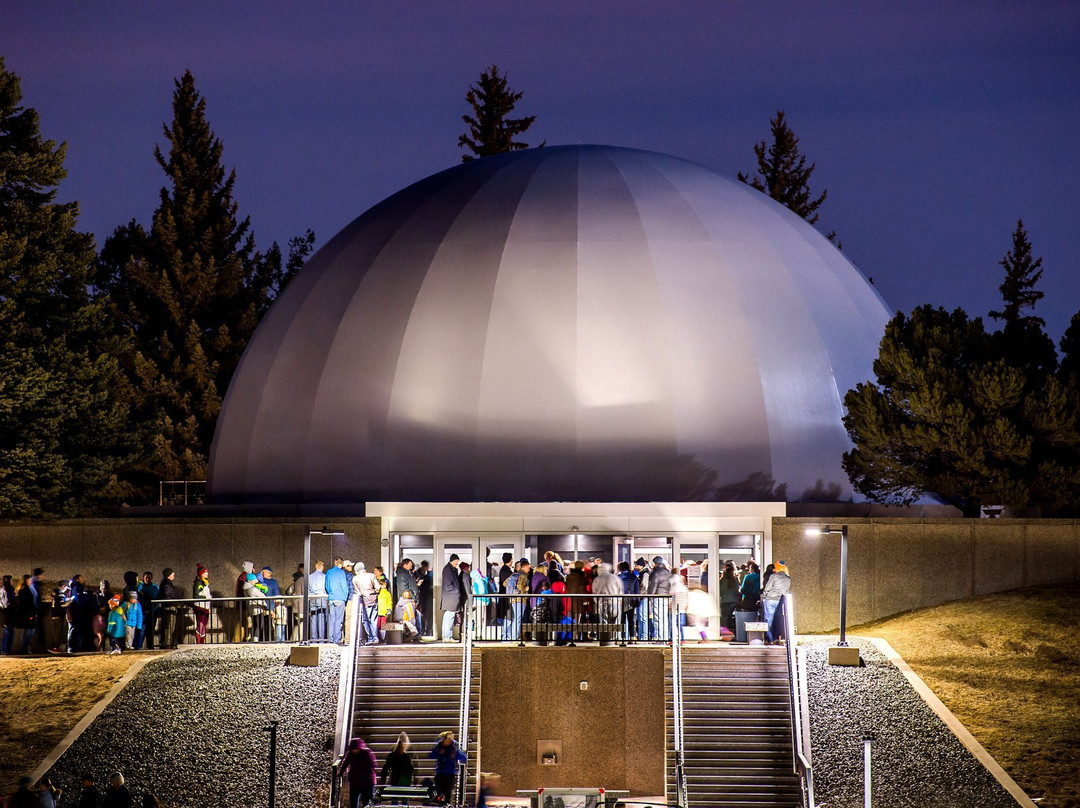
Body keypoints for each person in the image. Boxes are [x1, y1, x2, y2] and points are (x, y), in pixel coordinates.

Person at [428, 731, 466, 804]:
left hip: (450, 774)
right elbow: (431, 755)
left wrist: (455, 755)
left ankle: (447, 802)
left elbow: (463, 757)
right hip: (440, 773)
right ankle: (439, 801)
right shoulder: (439, 746)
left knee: (448, 793)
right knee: (439, 792)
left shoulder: (454, 747)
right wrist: (438, 752)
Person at [760, 560, 791, 643]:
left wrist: (764, 597)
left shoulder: (773, 576)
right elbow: (786, 591)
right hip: (780, 601)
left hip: (770, 600)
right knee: (778, 620)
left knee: (768, 619)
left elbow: (767, 588)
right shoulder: (788, 579)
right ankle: (777, 638)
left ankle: (769, 639)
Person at [342, 736, 377, 808]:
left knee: (366, 802)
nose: (354, 751)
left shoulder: (367, 753)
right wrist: (341, 772)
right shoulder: (351, 753)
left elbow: (372, 765)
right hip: (355, 781)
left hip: (367, 781)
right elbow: (346, 763)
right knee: (353, 802)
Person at [647, 557, 672, 641]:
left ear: (655, 563)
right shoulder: (668, 572)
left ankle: (661, 639)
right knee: (664, 618)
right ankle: (665, 637)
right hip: (666, 597)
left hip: (657, 597)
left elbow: (653, 586)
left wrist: (650, 597)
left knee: (658, 618)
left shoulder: (655, 573)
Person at [353, 562, 379, 645]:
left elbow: (358, 593)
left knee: (365, 620)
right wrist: (374, 593)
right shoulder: (371, 575)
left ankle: (371, 638)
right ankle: (375, 637)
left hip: (365, 602)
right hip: (374, 600)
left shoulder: (355, 578)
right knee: (373, 620)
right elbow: (378, 587)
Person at [326, 557, 350, 644]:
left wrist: (330, 593)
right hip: (340, 598)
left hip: (331, 598)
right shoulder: (341, 572)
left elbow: (327, 586)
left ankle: (330, 638)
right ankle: (337, 639)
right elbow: (344, 586)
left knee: (332, 619)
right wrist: (345, 596)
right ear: (341, 563)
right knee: (339, 620)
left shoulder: (329, 572)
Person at [439, 554, 461, 642]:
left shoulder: (448, 568)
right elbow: (448, 585)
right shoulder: (448, 569)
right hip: (451, 597)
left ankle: (446, 636)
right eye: (457, 561)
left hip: (449, 597)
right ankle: (448, 636)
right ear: (454, 560)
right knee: (450, 616)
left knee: (447, 616)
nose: (457, 563)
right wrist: (457, 591)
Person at [157, 568, 179, 649]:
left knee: (168, 627)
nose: (174, 574)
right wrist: (176, 599)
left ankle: (167, 643)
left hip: (167, 606)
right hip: (169, 607)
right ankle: (167, 644)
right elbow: (169, 593)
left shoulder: (166, 583)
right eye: (172, 573)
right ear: (168, 575)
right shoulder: (167, 584)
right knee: (169, 627)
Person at [617, 561, 639, 639]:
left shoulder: (618, 577)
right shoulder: (634, 577)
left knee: (622, 619)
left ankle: (622, 637)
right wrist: (637, 601)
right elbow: (637, 590)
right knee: (631, 620)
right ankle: (632, 637)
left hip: (621, 600)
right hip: (631, 600)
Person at [308, 559, 329, 641]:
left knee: (313, 618)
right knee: (321, 618)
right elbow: (326, 588)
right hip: (322, 598)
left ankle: (314, 638)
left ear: (315, 566)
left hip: (312, 598)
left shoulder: (309, 577)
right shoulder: (324, 576)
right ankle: (321, 639)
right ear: (322, 567)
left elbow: (308, 589)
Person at [137, 572, 158, 650]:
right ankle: (139, 647)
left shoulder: (155, 587)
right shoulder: (140, 587)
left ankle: (150, 646)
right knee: (142, 630)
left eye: (149, 577)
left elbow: (157, 600)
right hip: (143, 612)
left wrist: (153, 610)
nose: (148, 579)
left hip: (152, 612)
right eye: (146, 577)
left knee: (150, 631)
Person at [719, 563, 741, 631]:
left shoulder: (722, 580)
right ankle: (730, 630)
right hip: (733, 600)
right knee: (730, 616)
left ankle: (724, 630)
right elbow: (736, 591)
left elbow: (720, 591)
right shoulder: (735, 580)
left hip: (724, 600)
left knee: (724, 617)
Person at [193, 565, 211, 644]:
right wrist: (205, 596)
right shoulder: (198, 583)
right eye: (205, 572)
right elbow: (196, 595)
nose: (207, 573)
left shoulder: (205, 583)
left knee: (204, 625)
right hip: (200, 607)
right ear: (201, 574)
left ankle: (202, 642)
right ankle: (199, 642)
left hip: (205, 606)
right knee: (200, 625)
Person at [415, 560, 433, 637]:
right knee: (425, 614)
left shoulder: (426, 575)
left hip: (424, 597)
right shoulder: (427, 575)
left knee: (424, 614)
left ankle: (425, 630)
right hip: (426, 597)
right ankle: (426, 630)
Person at [2, 574, 17, 654]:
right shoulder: (6, 591)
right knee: (7, 633)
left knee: (10, 633)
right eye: (11, 580)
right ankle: (5, 650)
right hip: (7, 614)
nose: (12, 582)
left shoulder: (10, 590)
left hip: (10, 614)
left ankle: (7, 650)